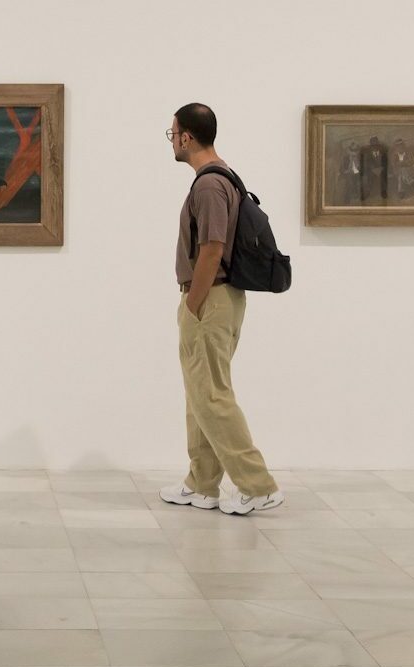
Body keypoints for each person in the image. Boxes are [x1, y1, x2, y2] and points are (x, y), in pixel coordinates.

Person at [160, 103, 283, 516]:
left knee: (212, 396)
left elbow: (212, 248)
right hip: (216, 298)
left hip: (210, 298)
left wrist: (193, 302)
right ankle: (202, 483)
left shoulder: (210, 185)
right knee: (201, 394)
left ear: (187, 137)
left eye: (173, 134)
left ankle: (259, 486)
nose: (172, 142)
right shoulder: (220, 177)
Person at [360, 135, 388, 204]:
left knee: (383, 175)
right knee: (369, 176)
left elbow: (385, 162)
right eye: (373, 145)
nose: (374, 147)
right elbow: (367, 163)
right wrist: (372, 168)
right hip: (372, 169)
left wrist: (381, 168)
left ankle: (383, 191)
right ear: (371, 146)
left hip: (381, 168)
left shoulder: (383, 152)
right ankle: (367, 192)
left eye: (376, 144)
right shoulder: (368, 154)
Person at [338, 141, 362, 205]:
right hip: (349, 171)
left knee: (355, 182)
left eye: (355, 150)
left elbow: (359, 165)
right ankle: (350, 197)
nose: (354, 152)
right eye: (352, 150)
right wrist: (344, 171)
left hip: (356, 171)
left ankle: (355, 195)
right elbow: (342, 166)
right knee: (350, 183)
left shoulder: (358, 156)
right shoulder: (346, 157)